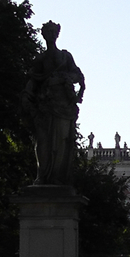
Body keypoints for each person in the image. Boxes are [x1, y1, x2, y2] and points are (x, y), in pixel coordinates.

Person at [22, 21, 85, 185]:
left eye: (53, 32)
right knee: (42, 142)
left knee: (62, 142)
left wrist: (66, 79)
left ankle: (57, 177)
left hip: (63, 106)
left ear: (57, 34)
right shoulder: (41, 59)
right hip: (45, 106)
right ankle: (42, 175)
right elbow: (33, 80)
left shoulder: (65, 57)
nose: (50, 35)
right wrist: (27, 96)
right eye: (47, 32)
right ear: (43, 35)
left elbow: (78, 75)